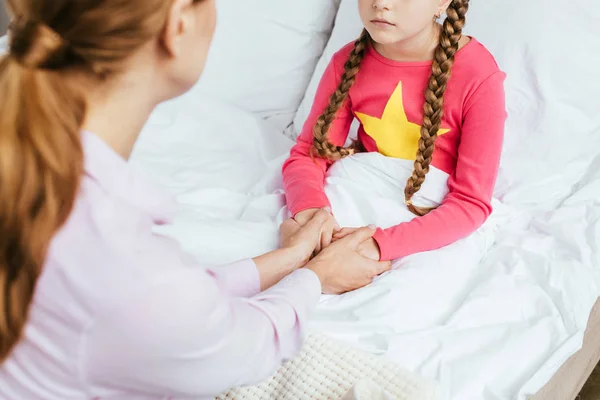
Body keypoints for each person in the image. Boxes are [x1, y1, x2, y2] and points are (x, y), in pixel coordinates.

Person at [0, 0, 392, 398]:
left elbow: (167, 301)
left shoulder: (61, 200)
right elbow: (240, 346)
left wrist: (289, 261)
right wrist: (316, 277)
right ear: (178, 24)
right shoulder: (121, 260)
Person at [282, 0, 507, 262]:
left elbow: (471, 202)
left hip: (429, 217)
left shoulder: (478, 74)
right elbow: (310, 154)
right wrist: (313, 215)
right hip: (357, 194)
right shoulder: (347, 62)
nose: (381, 3)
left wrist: (375, 247)